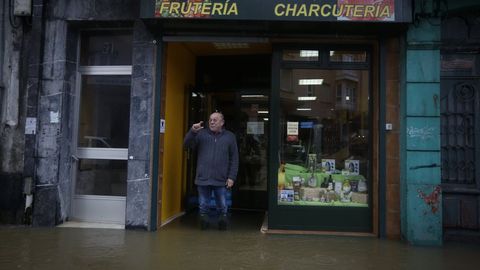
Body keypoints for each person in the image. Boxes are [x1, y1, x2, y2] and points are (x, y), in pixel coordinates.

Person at [184, 112, 239, 230]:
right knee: (203, 206)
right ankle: (204, 231)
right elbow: (186, 145)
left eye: (215, 120)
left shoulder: (230, 136)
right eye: (210, 120)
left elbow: (234, 159)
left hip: (221, 179)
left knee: (222, 207)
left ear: (222, 122)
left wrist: (231, 177)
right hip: (203, 178)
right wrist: (193, 131)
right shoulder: (201, 134)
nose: (212, 122)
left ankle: (222, 231)